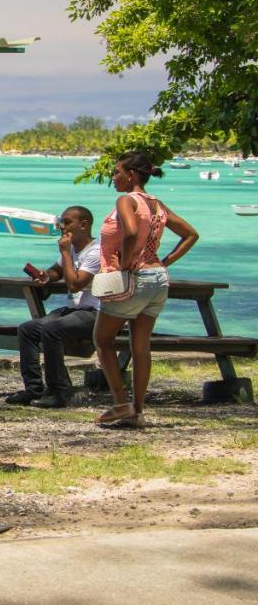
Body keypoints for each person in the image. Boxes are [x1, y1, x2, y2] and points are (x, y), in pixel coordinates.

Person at [93, 152, 198, 428]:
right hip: (158, 279)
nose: (113, 177)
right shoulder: (156, 204)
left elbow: (129, 232)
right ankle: (138, 412)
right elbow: (190, 234)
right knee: (140, 346)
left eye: (117, 172)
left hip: (135, 277)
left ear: (131, 175)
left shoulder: (126, 200)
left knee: (102, 340)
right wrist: (164, 261)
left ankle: (120, 403)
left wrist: (126, 266)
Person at [7, 205, 102, 409]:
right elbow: (58, 270)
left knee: (52, 329)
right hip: (74, 310)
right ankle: (34, 388)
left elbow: (75, 283)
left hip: (95, 312)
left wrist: (66, 252)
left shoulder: (95, 252)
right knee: (28, 329)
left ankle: (59, 391)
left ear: (84, 225)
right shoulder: (74, 250)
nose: (62, 227)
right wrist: (46, 275)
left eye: (67, 222)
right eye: (62, 222)